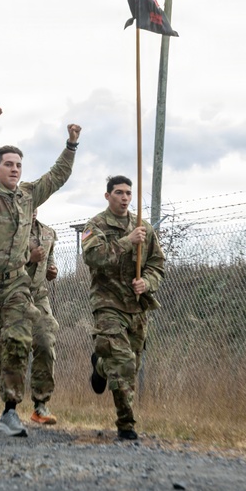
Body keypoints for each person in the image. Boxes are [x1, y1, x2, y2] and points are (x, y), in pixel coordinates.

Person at [0, 105, 80, 437]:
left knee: (18, 341)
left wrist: (71, 145)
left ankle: (10, 410)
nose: (15, 169)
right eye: (8, 164)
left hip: (17, 283)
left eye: (19, 165)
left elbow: (57, 176)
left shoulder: (28, 195)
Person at [81, 175, 165, 440]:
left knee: (131, 365)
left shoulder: (144, 228)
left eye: (129, 193)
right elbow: (93, 257)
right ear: (108, 196)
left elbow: (157, 265)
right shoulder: (96, 225)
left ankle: (101, 367)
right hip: (107, 304)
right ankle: (126, 425)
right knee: (124, 362)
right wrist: (128, 241)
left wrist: (147, 282)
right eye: (119, 192)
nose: (125, 197)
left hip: (136, 306)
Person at [0, 208, 60, 425]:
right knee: (2, 349)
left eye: (34, 205)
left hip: (37, 296)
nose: (31, 209)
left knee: (45, 342)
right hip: (9, 294)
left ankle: (40, 405)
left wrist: (51, 271)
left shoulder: (48, 233)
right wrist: (29, 258)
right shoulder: (6, 232)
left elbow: (49, 264)